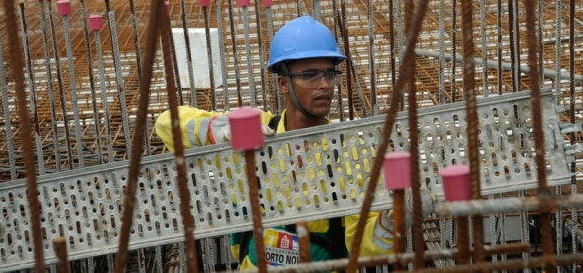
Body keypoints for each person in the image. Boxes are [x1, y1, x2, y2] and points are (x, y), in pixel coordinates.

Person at [155, 16, 410, 270]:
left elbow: (364, 247)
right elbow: (166, 124)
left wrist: (389, 224)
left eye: (330, 74)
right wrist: (220, 130)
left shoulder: (352, 151)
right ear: (282, 83)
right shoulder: (254, 133)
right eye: (310, 75)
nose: (324, 85)